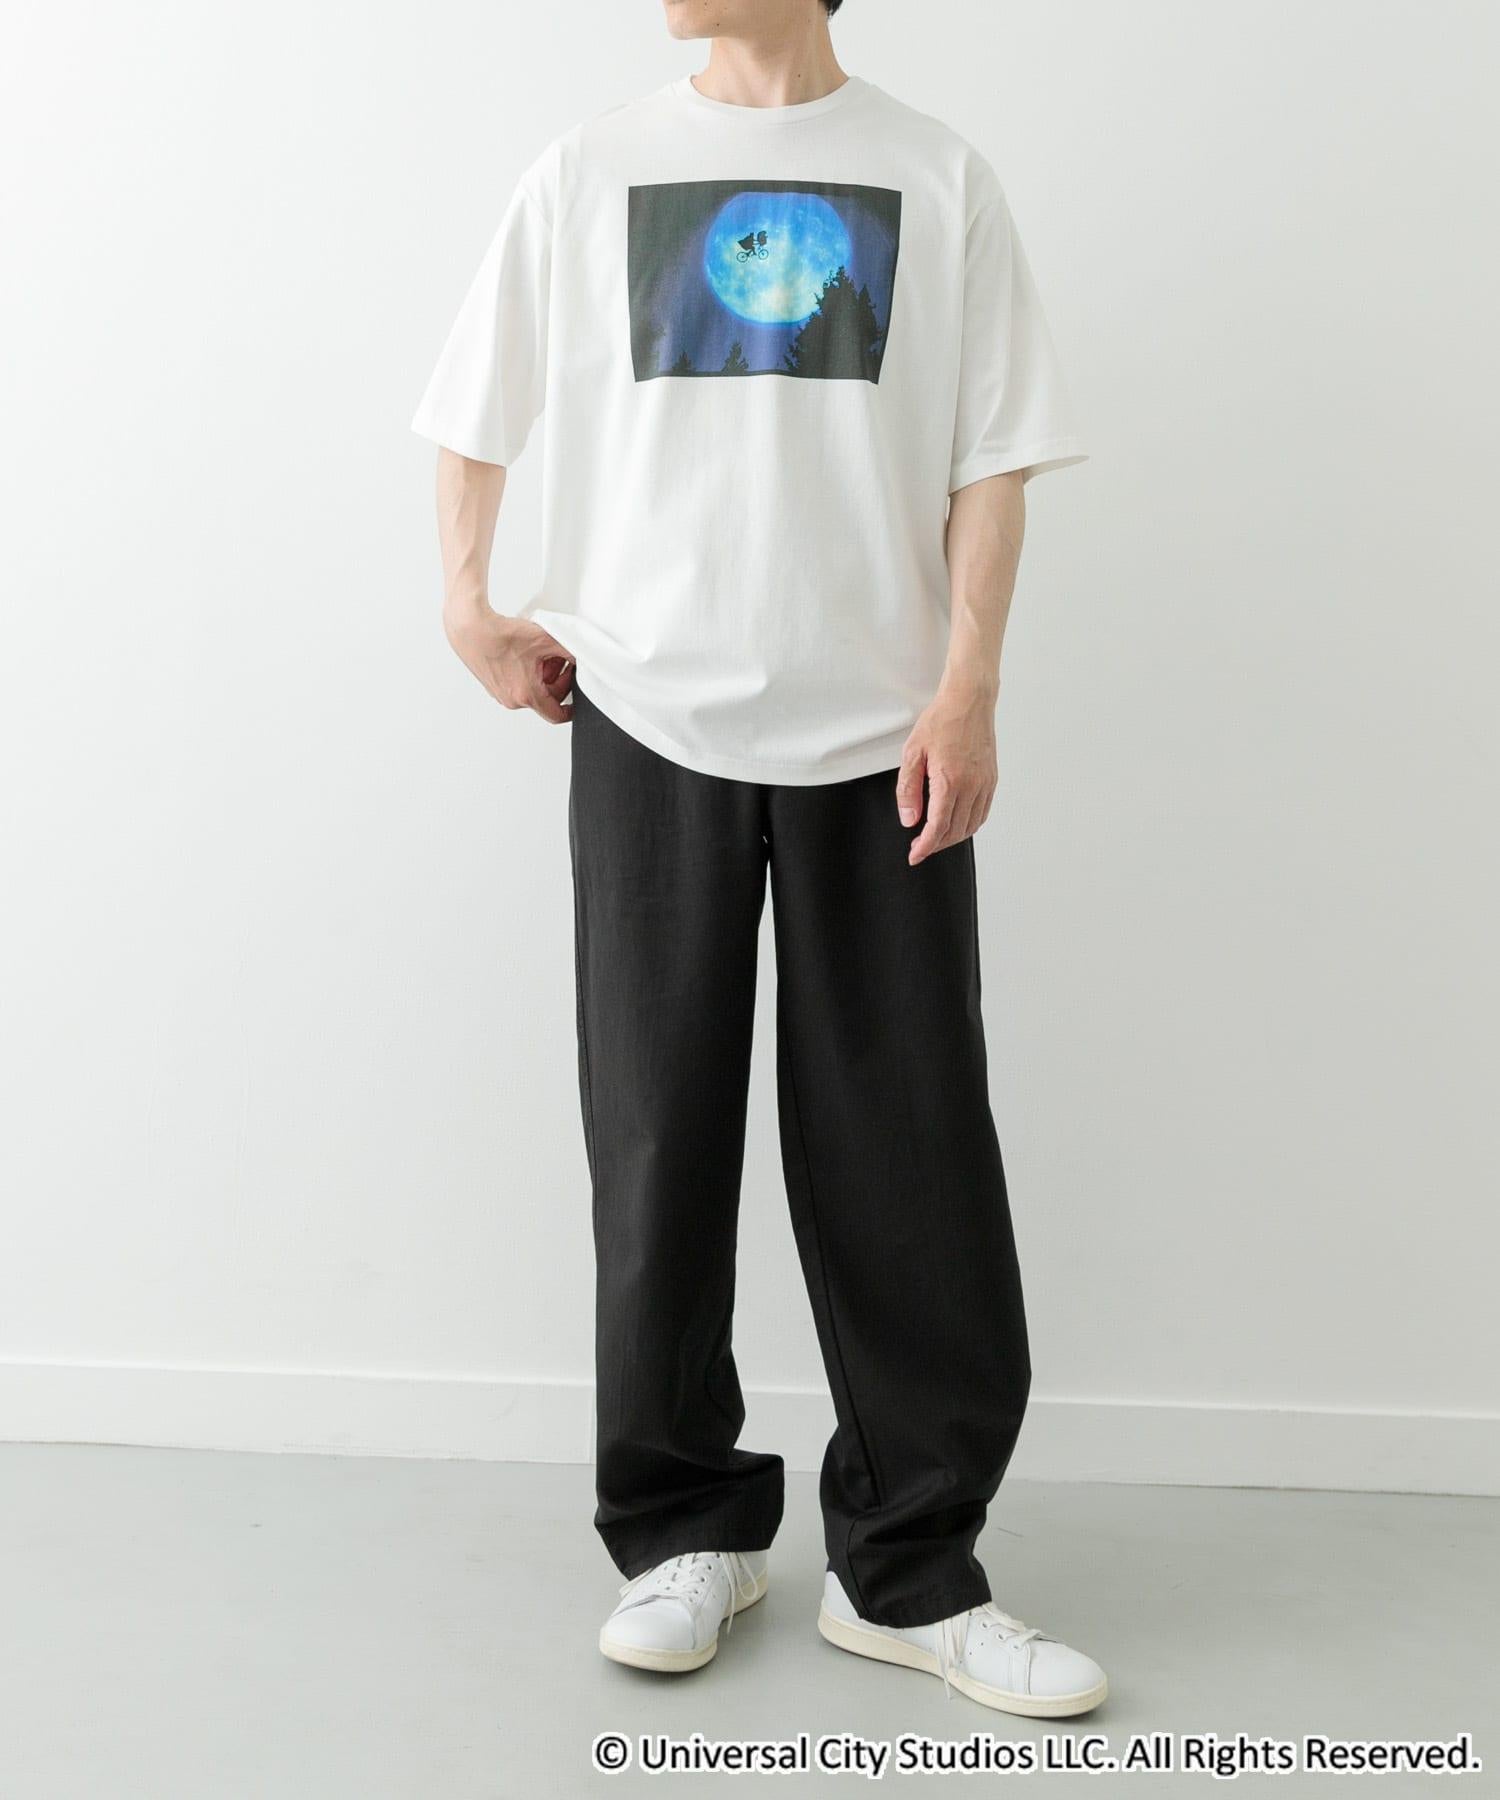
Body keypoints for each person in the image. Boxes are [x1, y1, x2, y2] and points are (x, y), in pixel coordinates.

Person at [414, 0, 1106, 1718]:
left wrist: (970, 685)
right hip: (648, 707)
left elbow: (996, 456)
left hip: (884, 734)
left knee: (909, 1143)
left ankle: (913, 1568)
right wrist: (467, 601)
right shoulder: (591, 169)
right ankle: (682, 1534)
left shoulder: (933, 175)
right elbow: (473, 400)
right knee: (656, 1131)